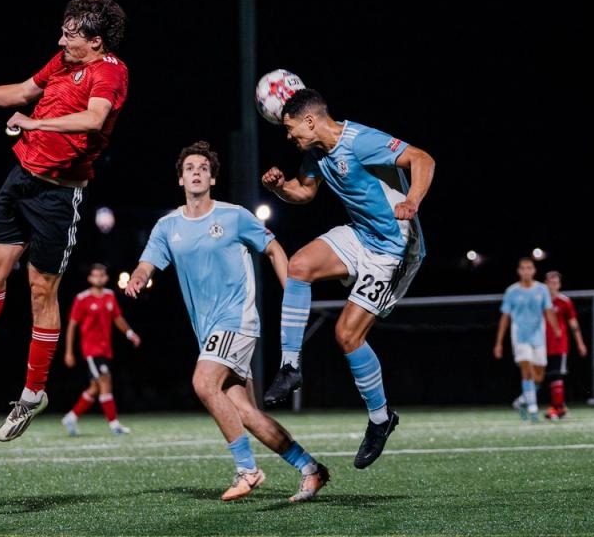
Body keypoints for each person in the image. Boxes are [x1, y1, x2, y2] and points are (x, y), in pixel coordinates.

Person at [0, 0, 129, 443]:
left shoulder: (111, 71)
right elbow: (23, 92)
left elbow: (95, 119)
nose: (60, 39)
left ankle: (33, 393)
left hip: (59, 196)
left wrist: (36, 125)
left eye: (70, 35)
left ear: (95, 41)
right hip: (21, 179)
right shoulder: (62, 61)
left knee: (41, 289)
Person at [125, 141, 330, 503]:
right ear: (180, 180)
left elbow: (273, 248)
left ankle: (247, 470)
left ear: (212, 178)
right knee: (246, 413)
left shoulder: (234, 216)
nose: (197, 172)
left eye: (203, 167)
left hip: (236, 319)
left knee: (203, 382)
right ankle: (310, 469)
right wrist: (140, 277)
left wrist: (292, 295)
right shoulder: (167, 226)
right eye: (190, 167)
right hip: (209, 332)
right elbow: (148, 262)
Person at [260, 88, 435, 470]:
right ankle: (290, 366)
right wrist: (279, 188)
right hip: (360, 234)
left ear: (310, 120)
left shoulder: (361, 141)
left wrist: (413, 201)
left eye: (291, 129)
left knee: (347, 335)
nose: (288, 137)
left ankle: (380, 418)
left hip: (393, 246)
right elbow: (303, 192)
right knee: (299, 266)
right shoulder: (315, 154)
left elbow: (422, 159)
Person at [61, 263, 141, 436]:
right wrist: (68, 351)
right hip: (91, 350)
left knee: (95, 388)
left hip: (105, 349)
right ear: (90, 278)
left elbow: (117, 318)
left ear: (106, 277)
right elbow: (72, 326)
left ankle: (71, 417)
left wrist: (130, 333)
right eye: (95, 275)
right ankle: (114, 425)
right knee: (106, 382)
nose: (99, 278)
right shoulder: (82, 298)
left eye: (102, 275)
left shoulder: (110, 296)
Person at [493, 258, 562, 421]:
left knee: (539, 376)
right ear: (519, 271)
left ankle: (522, 401)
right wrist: (498, 342)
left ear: (534, 270)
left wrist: (557, 330)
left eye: (529, 268)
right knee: (526, 370)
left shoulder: (542, 289)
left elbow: (549, 311)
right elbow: (505, 317)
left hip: (538, 336)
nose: (526, 271)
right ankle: (533, 410)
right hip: (520, 336)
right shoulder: (511, 291)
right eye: (523, 268)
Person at [543, 270, 587, 420]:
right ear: (545, 284)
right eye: (550, 282)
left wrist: (580, 343)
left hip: (559, 344)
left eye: (555, 282)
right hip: (541, 345)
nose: (553, 285)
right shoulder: (540, 302)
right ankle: (559, 407)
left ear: (559, 284)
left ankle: (558, 408)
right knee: (548, 377)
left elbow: (573, 324)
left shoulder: (565, 301)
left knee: (557, 375)